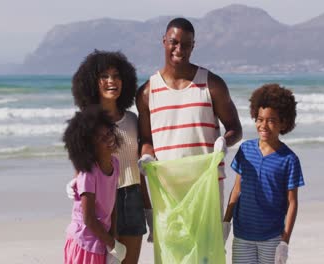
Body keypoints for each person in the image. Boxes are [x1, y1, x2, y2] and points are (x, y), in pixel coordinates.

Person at [136, 17, 242, 242]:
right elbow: (146, 139)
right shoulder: (147, 92)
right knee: (173, 254)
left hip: (206, 188)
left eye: (186, 44)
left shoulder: (212, 84)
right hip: (167, 190)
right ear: (164, 41)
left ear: (193, 46)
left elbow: (235, 129)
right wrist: (146, 155)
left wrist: (224, 141)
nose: (179, 49)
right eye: (174, 42)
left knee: (205, 254)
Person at [66, 50, 153, 264]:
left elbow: (137, 167)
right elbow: (83, 163)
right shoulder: (87, 123)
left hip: (132, 198)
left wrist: (149, 209)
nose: (111, 81)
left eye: (116, 76)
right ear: (92, 83)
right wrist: (75, 182)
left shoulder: (133, 120)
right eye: (104, 76)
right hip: (102, 203)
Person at [223, 84, 305, 264]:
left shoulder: (289, 159)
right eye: (260, 119)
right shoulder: (245, 149)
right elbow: (236, 189)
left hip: (272, 237)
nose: (263, 125)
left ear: (284, 122)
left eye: (271, 120)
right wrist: (225, 222)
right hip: (242, 234)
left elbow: (292, 202)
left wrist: (285, 241)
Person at [62, 106, 126, 264]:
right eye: (101, 138)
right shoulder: (89, 173)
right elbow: (89, 218)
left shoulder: (115, 164)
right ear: (90, 147)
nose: (109, 139)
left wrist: (113, 238)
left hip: (100, 240)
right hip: (84, 242)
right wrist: (112, 244)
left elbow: (112, 206)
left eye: (109, 133)